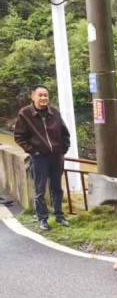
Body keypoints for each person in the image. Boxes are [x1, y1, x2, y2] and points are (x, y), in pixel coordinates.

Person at [13, 85, 71, 231]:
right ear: (33, 96)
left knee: (57, 188)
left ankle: (59, 216)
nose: (44, 98)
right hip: (39, 158)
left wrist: (62, 150)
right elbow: (19, 137)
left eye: (46, 95)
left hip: (56, 156)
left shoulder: (54, 112)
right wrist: (33, 151)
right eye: (40, 95)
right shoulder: (25, 113)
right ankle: (42, 219)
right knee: (40, 190)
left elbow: (65, 133)